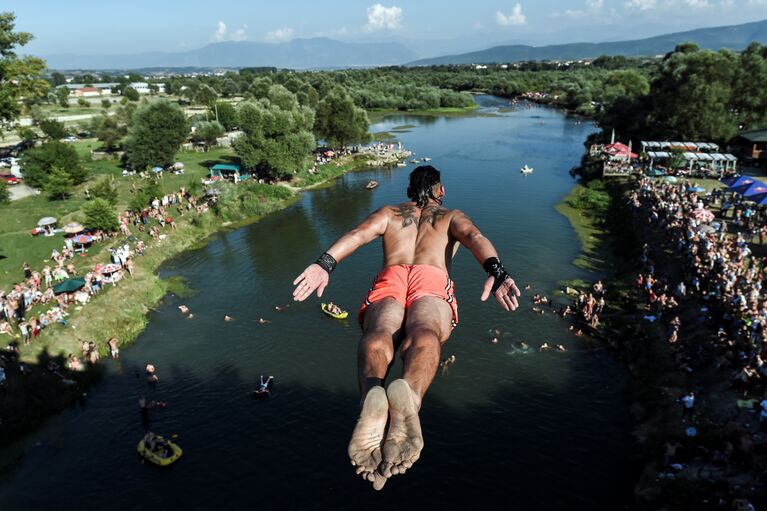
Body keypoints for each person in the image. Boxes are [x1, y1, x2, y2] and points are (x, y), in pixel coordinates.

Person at [292, 166, 520, 489]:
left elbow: (357, 235)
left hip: (391, 278)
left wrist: (324, 264)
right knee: (425, 334)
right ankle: (408, 396)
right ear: (440, 190)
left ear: (410, 191)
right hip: (431, 279)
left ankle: (372, 394)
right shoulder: (449, 216)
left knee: (378, 336)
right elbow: (474, 238)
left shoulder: (390, 213)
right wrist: (496, 271)